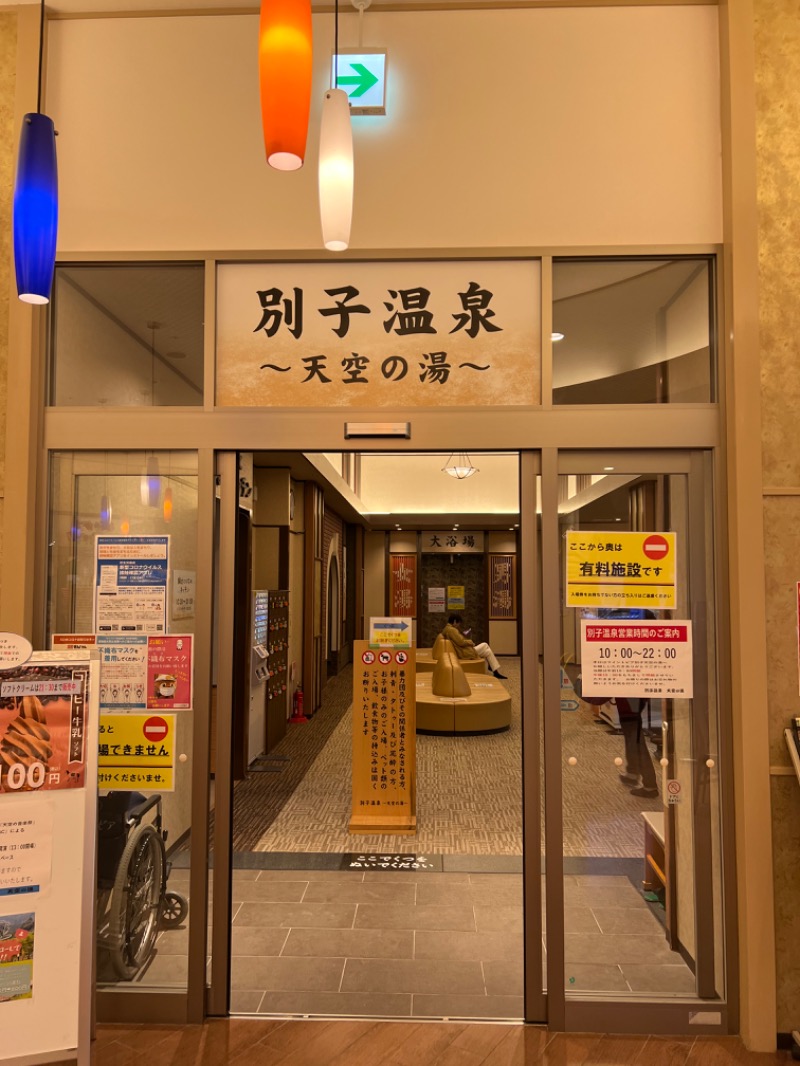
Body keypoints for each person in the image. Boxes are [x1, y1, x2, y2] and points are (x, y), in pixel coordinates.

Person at [616, 696, 658, 798]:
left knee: (635, 738)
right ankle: (632, 772)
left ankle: (650, 785)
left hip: (629, 697)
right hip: (629, 697)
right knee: (631, 733)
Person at [441, 614, 508, 679]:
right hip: (464, 652)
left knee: (487, 651)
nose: (458, 626)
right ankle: (493, 669)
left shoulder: (447, 629)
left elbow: (459, 641)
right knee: (485, 644)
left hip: (462, 650)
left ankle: (494, 670)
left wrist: (467, 641)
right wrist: (471, 642)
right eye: (458, 623)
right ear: (455, 621)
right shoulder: (452, 630)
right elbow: (461, 642)